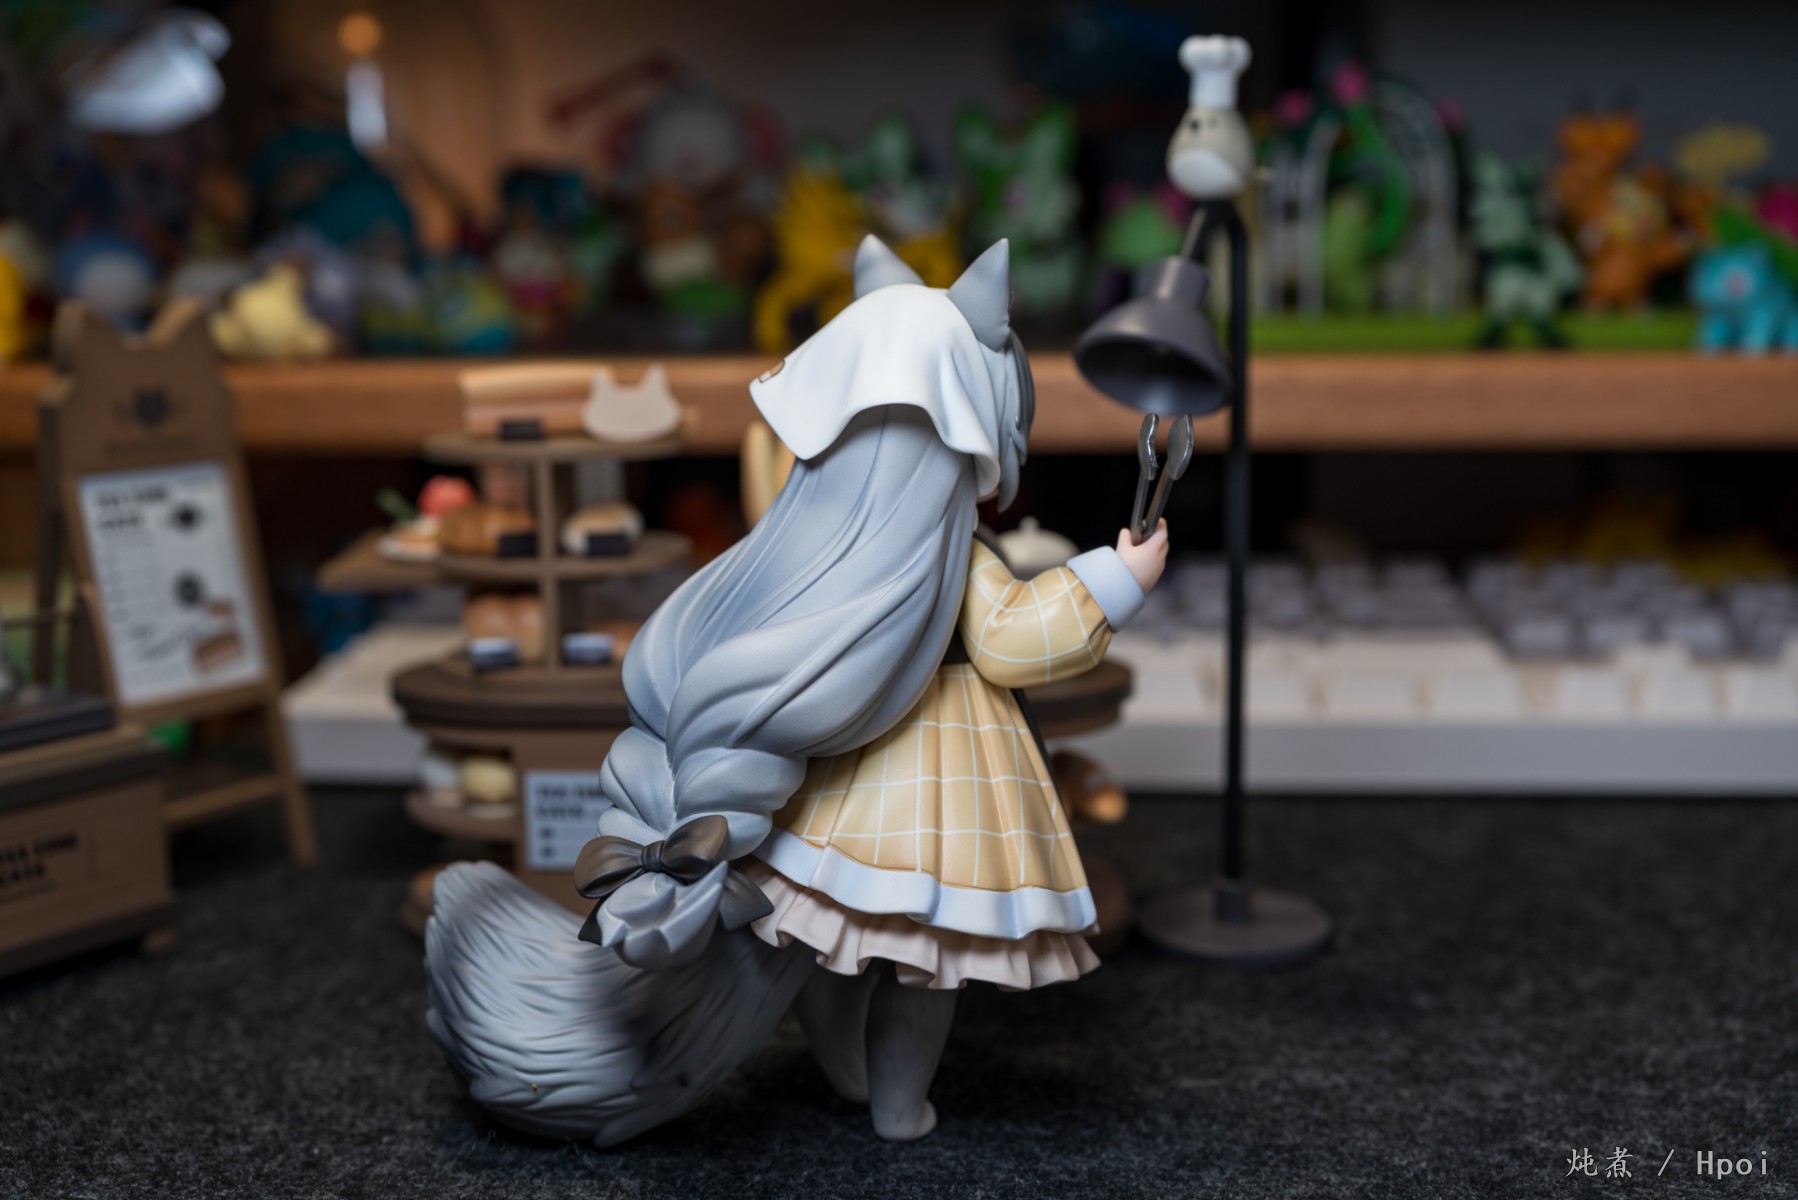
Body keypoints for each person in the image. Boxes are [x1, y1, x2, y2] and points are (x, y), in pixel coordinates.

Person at [425, 236, 1168, 1146]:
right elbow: (1013, 641)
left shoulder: (805, 569)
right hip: (939, 800)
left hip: (841, 803)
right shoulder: (952, 562)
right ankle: (897, 1103)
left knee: (832, 946)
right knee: (922, 966)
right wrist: (1116, 579)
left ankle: (845, 1068)